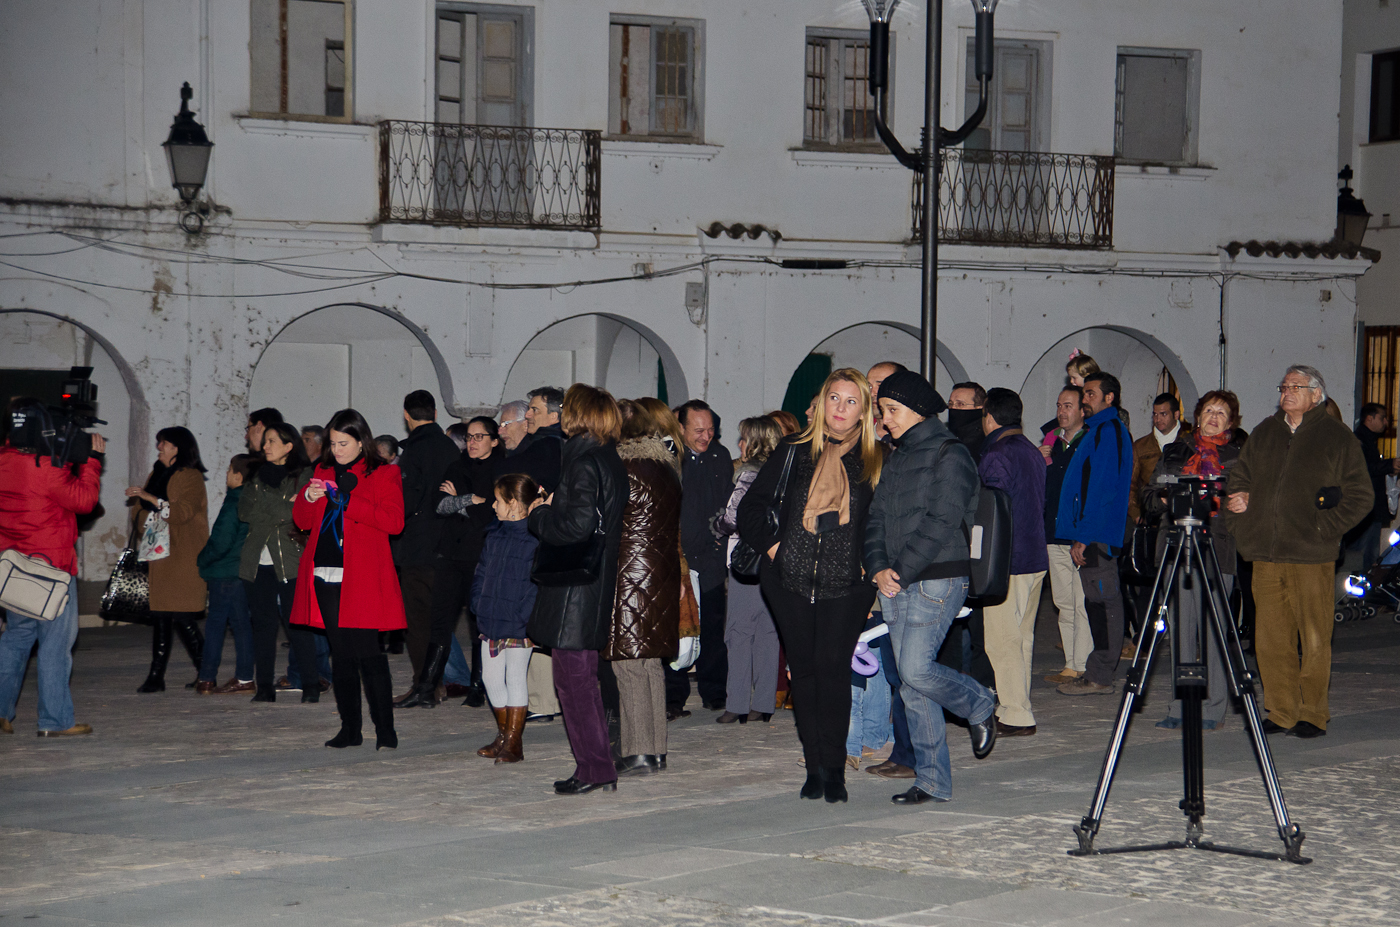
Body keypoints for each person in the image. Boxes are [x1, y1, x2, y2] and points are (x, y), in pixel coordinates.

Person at [740, 368, 883, 804]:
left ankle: (835, 769)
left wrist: (872, 566)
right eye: (834, 399)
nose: (840, 409)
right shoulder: (794, 450)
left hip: (848, 585)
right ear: (821, 404)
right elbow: (751, 508)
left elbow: (884, 524)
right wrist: (774, 548)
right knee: (803, 673)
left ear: (864, 410)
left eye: (850, 401)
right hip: (788, 581)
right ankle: (814, 765)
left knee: (833, 672)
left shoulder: (876, 460)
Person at [863, 370, 996, 805]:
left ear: (918, 410)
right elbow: (877, 517)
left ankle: (979, 703)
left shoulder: (949, 454)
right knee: (911, 684)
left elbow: (942, 521)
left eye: (892, 411)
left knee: (917, 669)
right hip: (897, 579)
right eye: (882, 412)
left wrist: (898, 569)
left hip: (937, 577)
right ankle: (932, 781)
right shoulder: (899, 455)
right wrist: (878, 566)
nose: (885, 420)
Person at [1225, 365, 1372, 738]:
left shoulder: (1337, 438)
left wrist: (1325, 528)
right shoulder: (1265, 432)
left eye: (1296, 386)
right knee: (1270, 639)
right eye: (1284, 386)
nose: (1287, 392)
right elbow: (1240, 476)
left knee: (1315, 637)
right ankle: (1280, 709)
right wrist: (1240, 502)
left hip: (1312, 554)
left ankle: (1312, 713)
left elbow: (1361, 496)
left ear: (1316, 395)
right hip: (1266, 553)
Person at [526, 384, 630, 794]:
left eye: (569, 407)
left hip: (576, 587)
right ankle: (595, 766)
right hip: (590, 581)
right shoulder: (604, 457)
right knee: (579, 681)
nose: (563, 413)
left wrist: (539, 516)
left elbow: (576, 526)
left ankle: (595, 768)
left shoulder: (585, 461)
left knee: (574, 683)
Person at [293, 408, 406, 749]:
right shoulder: (322, 470)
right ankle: (350, 728)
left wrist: (348, 502)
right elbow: (302, 521)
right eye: (333, 443)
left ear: (361, 442)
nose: (337, 449)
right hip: (326, 570)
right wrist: (308, 498)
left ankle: (385, 729)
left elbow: (394, 522)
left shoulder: (383, 474)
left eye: (344, 443)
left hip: (362, 574)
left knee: (367, 652)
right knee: (340, 654)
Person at [1141, 391, 1244, 730]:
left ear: (1231, 422)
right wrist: (1165, 496)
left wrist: (1242, 501)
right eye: (1209, 410)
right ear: (1198, 417)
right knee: (1183, 631)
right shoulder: (1175, 451)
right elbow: (1148, 495)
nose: (1214, 417)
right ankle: (1181, 705)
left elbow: (1250, 500)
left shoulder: (1239, 457)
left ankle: (1214, 708)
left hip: (1218, 548)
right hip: (1178, 548)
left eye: (1222, 413)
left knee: (1215, 632)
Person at [0, 399, 103, 737]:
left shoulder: (4, 461)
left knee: (16, 638)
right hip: (52, 570)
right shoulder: (46, 470)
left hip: (14, 568)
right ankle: (55, 720)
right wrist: (91, 462)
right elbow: (85, 501)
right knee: (56, 645)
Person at [605, 400, 683, 775]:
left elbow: (610, 524)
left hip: (630, 572)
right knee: (650, 663)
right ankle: (655, 750)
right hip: (660, 571)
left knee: (629, 665)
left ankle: (636, 751)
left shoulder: (624, 468)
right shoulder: (666, 467)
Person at [1055, 372, 1135, 697]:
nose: (1085, 400)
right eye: (1084, 394)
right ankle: (1098, 671)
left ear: (1108, 398)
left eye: (1090, 394)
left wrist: (1084, 535)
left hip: (1098, 534)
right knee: (1096, 602)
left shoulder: (1109, 431)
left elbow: (1101, 489)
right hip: (1092, 531)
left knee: (1104, 602)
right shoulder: (1098, 431)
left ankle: (1101, 674)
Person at [977, 388, 1048, 736]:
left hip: (1009, 560)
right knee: (1022, 638)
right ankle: (1015, 705)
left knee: (1002, 640)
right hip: (1035, 554)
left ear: (989, 416)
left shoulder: (997, 452)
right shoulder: (1031, 450)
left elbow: (992, 511)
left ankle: (1016, 714)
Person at [424, 416, 504, 707]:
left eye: (479, 437)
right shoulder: (456, 466)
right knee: (440, 619)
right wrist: (471, 499)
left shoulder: (501, 470)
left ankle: (477, 686)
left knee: (477, 623)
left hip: (480, 555)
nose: (472, 442)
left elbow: (491, 515)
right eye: (469, 437)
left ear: (494, 440)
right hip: (450, 553)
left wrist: (462, 501)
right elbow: (440, 505)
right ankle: (426, 685)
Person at [494, 396, 565, 722]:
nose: (530, 415)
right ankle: (540, 699)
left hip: (536, 538)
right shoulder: (548, 445)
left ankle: (541, 700)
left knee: (533, 616)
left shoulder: (546, 447)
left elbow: (519, 485)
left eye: (535, 410)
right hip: (538, 537)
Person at [237, 422, 319, 702]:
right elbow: (244, 510)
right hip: (256, 559)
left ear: (288, 446)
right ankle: (265, 688)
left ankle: (310, 686)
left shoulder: (305, 475)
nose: (265, 446)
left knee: (297, 626)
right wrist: (287, 509)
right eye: (265, 441)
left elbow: (302, 513)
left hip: (290, 559)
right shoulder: (256, 474)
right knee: (262, 626)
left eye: (271, 441)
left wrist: (287, 508)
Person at [392, 390, 462, 702]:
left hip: (419, 546)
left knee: (418, 622)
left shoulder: (414, 451)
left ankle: (426, 685)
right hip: (448, 544)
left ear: (406, 415)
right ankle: (441, 681)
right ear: (434, 413)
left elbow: (405, 502)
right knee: (441, 620)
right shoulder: (450, 447)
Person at [127, 427, 209, 693]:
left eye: (164, 443)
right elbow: (139, 513)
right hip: (159, 555)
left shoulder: (191, 477)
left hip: (183, 556)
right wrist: (145, 510)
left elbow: (183, 512)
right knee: (161, 614)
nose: (159, 447)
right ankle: (156, 677)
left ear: (178, 448)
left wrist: (153, 500)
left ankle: (206, 672)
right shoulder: (156, 473)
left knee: (183, 616)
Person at [714, 415, 782, 725]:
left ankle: (737, 704)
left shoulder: (748, 474)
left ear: (753, 441)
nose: (739, 444)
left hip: (746, 560)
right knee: (768, 632)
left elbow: (732, 518)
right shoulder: (784, 472)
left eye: (743, 438)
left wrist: (715, 526)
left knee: (739, 632)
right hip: (776, 559)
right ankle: (764, 703)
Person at [471, 474, 541, 764]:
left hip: (518, 622)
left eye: (498, 500)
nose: (493, 506)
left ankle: (513, 743)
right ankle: (504, 734)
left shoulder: (535, 539)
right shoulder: (494, 535)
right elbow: (481, 572)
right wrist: (478, 602)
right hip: (491, 617)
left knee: (515, 677)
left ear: (513, 503)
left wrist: (522, 615)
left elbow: (536, 583)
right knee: (490, 677)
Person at [675, 398, 733, 713]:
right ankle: (673, 697)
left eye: (710, 430)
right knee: (678, 628)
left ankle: (715, 692)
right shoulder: (671, 459)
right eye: (698, 430)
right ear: (681, 428)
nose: (705, 436)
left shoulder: (720, 457)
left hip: (711, 559)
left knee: (712, 628)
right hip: (680, 560)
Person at [194, 454, 258, 694]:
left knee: (215, 625)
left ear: (239, 476)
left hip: (224, 572)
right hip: (240, 571)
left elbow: (221, 541)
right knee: (241, 625)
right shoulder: (252, 501)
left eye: (230, 470)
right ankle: (244, 677)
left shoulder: (234, 503)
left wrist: (203, 558)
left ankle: (207, 677)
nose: (227, 475)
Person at [1041, 386, 1092, 686]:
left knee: (1080, 601)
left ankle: (1081, 663)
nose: (1062, 411)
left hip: (1076, 534)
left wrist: (1084, 533)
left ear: (1083, 410)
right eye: (1059, 405)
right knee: (1063, 602)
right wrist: (1041, 460)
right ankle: (1071, 662)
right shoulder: (1053, 446)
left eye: (1069, 405)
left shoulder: (1089, 444)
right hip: (1053, 532)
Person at [1346, 402, 1398, 569]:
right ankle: (1359, 588)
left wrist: (1389, 469)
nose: (1385, 423)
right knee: (1364, 554)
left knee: (1368, 552)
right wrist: (1389, 465)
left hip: (1370, 506)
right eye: (1382, 418)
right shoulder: (1359, 440)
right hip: (1366, 506)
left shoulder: (1368, 440)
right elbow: (1364, 468)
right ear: (1369, 418)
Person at [1128, 393, 1188, 524]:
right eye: (1155, 414)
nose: (1158, 419)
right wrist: (1136, 514)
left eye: (1163, 414)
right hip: (1150, 515)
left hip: (1181, 514)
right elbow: (1130, 483)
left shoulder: (1188, 443)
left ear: (1176, 415)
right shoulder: (1140, 446)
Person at [946, 382, 987, 459]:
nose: (953, 408)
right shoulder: (948, 438)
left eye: (960, 404)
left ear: (979, 407)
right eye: (950, 404)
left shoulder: (983, 445)